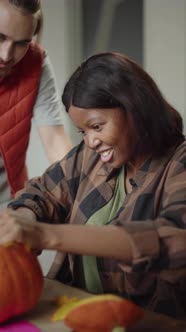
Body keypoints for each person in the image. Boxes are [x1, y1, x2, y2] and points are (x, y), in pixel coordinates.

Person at [0, 52, 186, 319]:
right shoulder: (89, 157)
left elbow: (173, 238)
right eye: (83, 132)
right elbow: (42, 193)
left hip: (147, 324)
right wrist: (19, 221)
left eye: (97, 126)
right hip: (76, 313)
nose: (90, 141)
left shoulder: (179, 163)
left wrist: (45, 235)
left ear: (135, 108)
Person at [0, 0, 72, 207]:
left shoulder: (35, 64)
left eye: (22, 43)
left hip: (10, 207)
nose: (6, 55)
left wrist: (83, 188)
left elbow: (55, 142)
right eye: (0, 37)